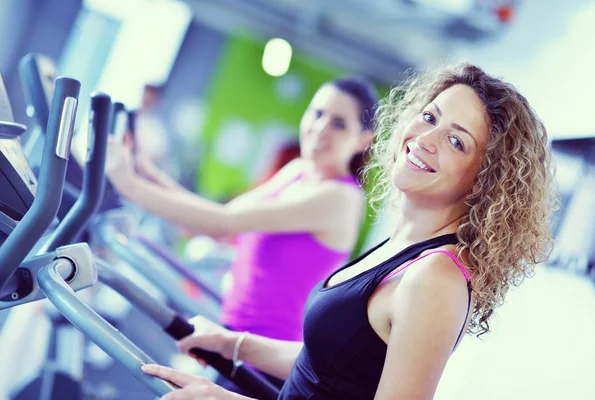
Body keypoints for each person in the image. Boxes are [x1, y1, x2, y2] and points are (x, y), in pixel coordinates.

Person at [140, 62, 557, 400]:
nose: (425, 138)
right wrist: (233, 344)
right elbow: (327, 365)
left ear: (485, 181)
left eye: (456, 141)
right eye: (429, 117)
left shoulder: (436, 280)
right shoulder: (405, 246)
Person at [105, 77, 379, 392]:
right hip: (229, 343)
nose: (320, 128)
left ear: (362, 140)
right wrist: (143, 170)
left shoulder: (339, 198)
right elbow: (217, 220)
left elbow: (222, 222)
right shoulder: (298, 172)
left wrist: (128, 184)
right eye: (317, 113)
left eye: (339, 124)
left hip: (262, 363)